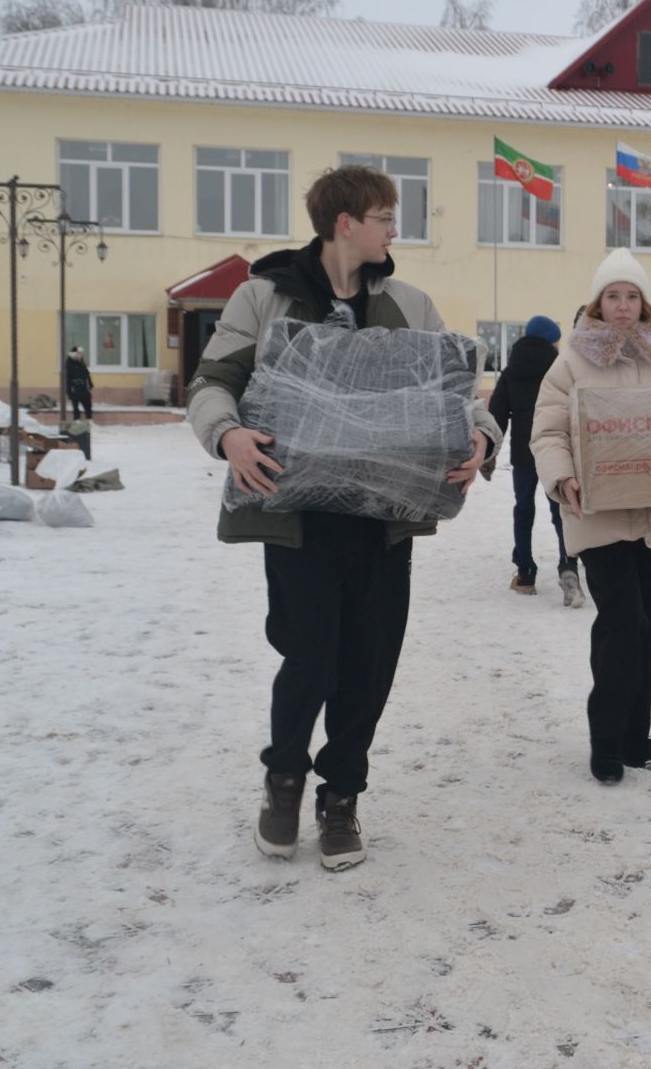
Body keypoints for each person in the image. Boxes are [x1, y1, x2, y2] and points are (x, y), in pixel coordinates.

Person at [186, 165, 499, 871]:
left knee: (368, 665)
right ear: (344, 223)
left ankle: (342, 796)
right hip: (298, 516)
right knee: (310, 658)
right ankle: (285, 779)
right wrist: (228, 435)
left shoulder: (410, 304)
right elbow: (212, 382)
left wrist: (481, 436)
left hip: (384, 520)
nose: (396, 230)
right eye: (385, 216)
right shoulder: (264, 297)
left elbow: (460, 393)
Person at [531, 249, 651, 784]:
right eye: (613, 296)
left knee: (646, 628)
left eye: (632, 296)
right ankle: (605, 738)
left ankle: (635, 738)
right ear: (598, 303)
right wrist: (561, 477)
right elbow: (547, 433)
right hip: (597, 514)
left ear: (645, 304)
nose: (622, 306)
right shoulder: (572, 361)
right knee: (623, 622)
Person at [488, 314, 582, 605]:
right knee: (561, 511)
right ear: (551, 340)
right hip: (555, 451)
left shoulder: (511, 370)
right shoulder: (560, 368)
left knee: (524, 508)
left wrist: (488, 452)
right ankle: (569, 566)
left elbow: (497, 415)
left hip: (523, 453)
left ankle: (525, 573)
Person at [64, 346, 94, 420]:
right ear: (74, 354)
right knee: (76, 408)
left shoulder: (81, 363)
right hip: (74, 389)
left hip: (83, 388)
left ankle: (89, 421)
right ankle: (76, 422)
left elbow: (87, 374)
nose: (81, 355)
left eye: (81, 353)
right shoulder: (69, 364)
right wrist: (69, 391)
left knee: (88, 406)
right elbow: (67, 378)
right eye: (79, 353)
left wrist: (90, 384)